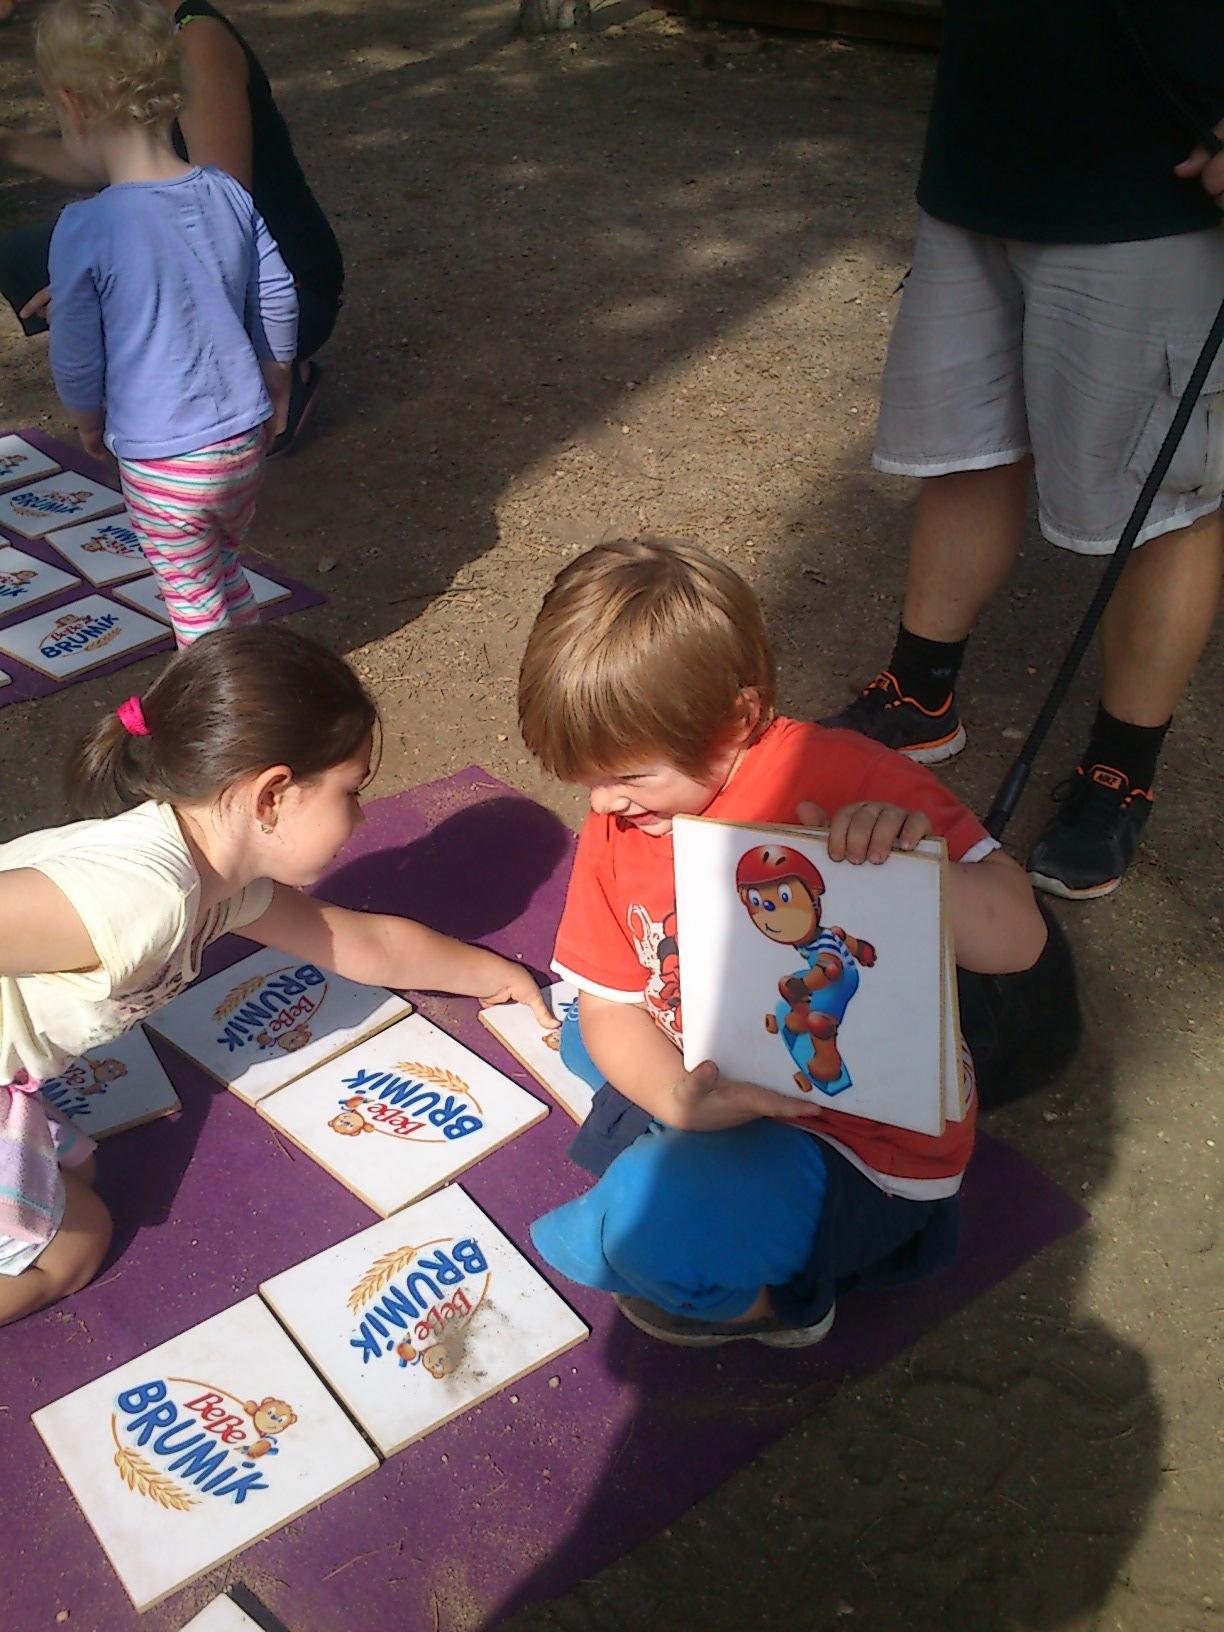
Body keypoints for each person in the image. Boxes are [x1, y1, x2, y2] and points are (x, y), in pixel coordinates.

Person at [516, 539, 1047, 1347]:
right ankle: (698, 1177)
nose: (602, 805)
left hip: (863, 1142)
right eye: (586, 780)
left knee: (651, 1234)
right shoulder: (622, 819)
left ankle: (787, 1291)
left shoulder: (847, 778)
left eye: (629, 776)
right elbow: (610, 1004)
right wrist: (678, 1099)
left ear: (737, 718)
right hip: (716, 1069)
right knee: (588, 1040)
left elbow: (1020, 939)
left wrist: (923, 874)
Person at [0, 624, 554, 1328]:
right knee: (77, 1248)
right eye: (352, 791)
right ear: (271, 796)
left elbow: (361, 942)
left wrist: (489, 974)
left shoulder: (220, 881)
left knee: (78, 1173)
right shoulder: (142, 899)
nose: (362, 816)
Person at [822, 0, 1224, 901]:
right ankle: (920, 693)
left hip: (1155, 183)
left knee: (1164, 503)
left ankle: (1122, 768)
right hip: (982, 153)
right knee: (965, 447)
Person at [37, 0, 297, 646]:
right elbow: (278, 294)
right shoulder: (226, 192)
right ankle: (255, 664)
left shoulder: (85, 226)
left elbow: (75, 349)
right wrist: (277, 379)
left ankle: (221, 703)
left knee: (192, 601)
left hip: (164, 457)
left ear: (72, 105)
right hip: (241, 442)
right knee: (223, 568)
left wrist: (87, 419)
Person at [0, 0, 342, 455]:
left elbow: (214, 230)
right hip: (242, 270)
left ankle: (198, 392)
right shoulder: (141, 40)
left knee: (86, 287)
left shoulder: (196, 41)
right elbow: (111, 161)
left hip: (283, 279)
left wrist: (89, 417)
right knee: (24, 256)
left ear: (71, 104)